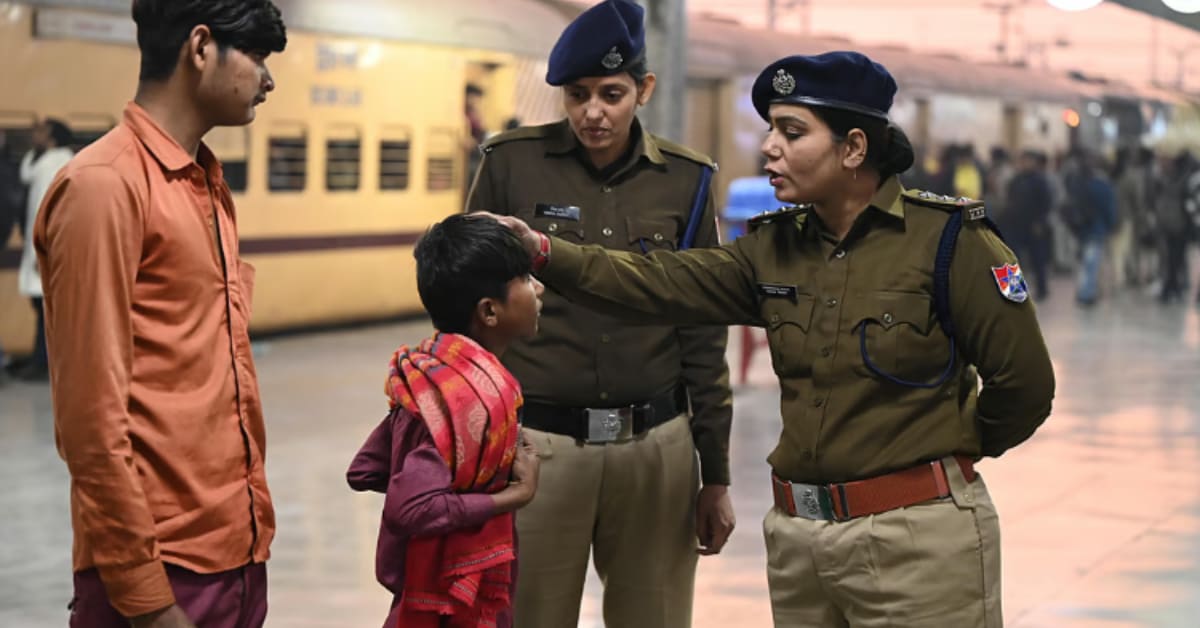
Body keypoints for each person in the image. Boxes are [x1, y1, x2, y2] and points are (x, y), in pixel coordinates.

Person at [481, 50, 1056, 628]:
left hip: (920, 540)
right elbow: (661, 281)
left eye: (792, 132)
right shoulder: (772, 248)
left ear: (854, 148)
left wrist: (943, 453)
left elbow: (1024, 387)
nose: (769, 147)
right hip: (800, 544)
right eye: (770, 130)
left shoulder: (950, 245)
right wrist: (546, 251)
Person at [466, 2, 735, 627]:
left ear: (644, 89)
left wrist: (714, 472)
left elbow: (702, 330)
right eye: (578, 94)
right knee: (526, 615)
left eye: (612, 94)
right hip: (538, 449)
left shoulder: (686, 183)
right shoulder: (510, 165)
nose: (593, 112)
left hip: (656, 451)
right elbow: (467, 310)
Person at [33, 2, 286, 626]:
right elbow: (91, 423)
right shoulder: (105, 188)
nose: (267, 78)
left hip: (235, 554)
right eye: (255, 55)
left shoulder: (203, 184)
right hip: (161, 576)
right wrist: (147, 600)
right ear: (201, 48)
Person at [347, 214, 544, 628]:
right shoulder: (459, 402)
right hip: (445, 606)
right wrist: (515, 494)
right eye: (525, 279)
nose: (539, 288)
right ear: (489, 311)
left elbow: (367, 468)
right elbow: (412, 507)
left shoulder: (430, 379)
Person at [16, 118, 74, 381]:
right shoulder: (41, 161)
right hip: (36, 246)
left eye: (40, 130)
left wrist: (46, 249)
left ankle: (44, 362)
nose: (33, 134)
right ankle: (39, 358)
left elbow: (52, 210)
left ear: (52, 136)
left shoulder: (58, 163)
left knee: (47, 309)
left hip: (48, 247)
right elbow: (27, 175)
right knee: (39, 307)